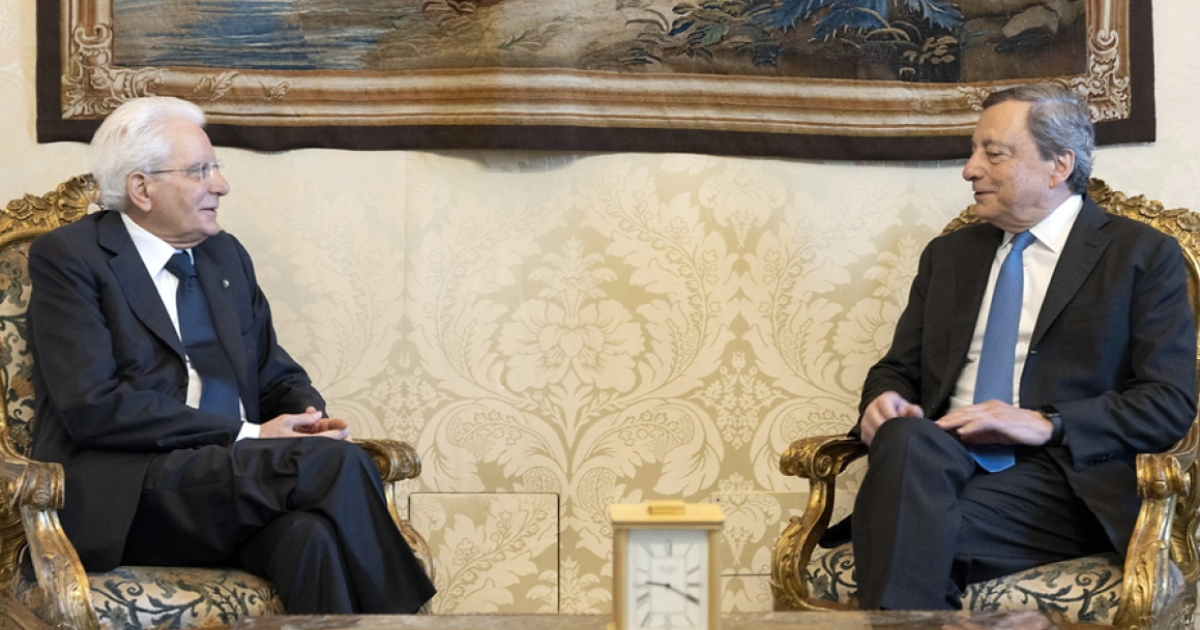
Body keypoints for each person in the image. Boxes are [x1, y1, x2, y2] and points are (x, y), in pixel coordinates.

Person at [27, 96, 436, 615]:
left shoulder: (224, 255)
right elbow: (93, 406)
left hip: (228, 485)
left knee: (310, 538)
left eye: (216, 168)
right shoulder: (72, 258)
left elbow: (274, 373)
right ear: (141, 188)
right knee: (335, 465)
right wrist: (251, 434)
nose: (221, 185)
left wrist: (307, 417)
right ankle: (409, 626)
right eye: (201, 170)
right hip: (133, 490)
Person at [844, 84, 1197, 609]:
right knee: (905, 440)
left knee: (900, 533)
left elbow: (1168, 403)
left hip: (1062, 477)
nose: (970, 170)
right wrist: (883, 399)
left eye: (993, 153)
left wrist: (1047, 422)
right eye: (973, 152)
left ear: (1059, 165)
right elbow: (897, 368)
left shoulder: (1140, 255)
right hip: (937, 459)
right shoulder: (948, 256)